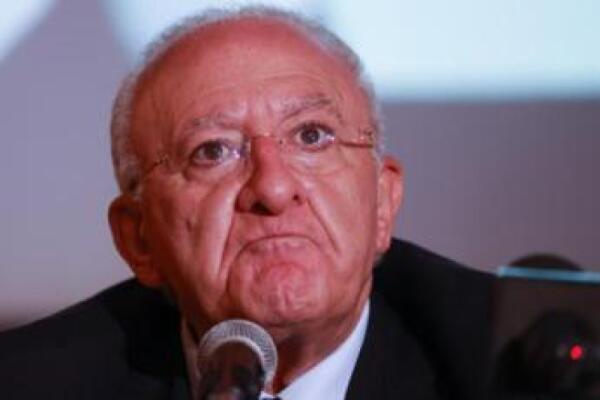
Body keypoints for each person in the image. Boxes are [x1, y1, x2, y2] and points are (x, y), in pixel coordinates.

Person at [0, 6, 496, 400]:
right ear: (139, 240)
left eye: (311, 136)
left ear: (383, 203)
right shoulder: (28, 383)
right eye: (212, 152)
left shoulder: (505, 361)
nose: (273, 189)